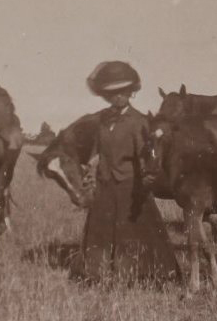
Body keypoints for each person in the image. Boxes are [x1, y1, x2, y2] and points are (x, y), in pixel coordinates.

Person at [77, 60, 182, 286]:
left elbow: (146, 156)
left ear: (131, 93)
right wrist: (91, 166)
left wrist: (147, 178)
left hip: (129, 187)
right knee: (100, 231)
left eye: (123, 92)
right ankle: (98, 276)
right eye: (112, 93)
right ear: (106, 95)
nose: (118, 97)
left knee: (131, 233)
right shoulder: (103, 121)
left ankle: (136, 276)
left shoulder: (138, 122)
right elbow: (96, 150)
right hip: (104, 185)